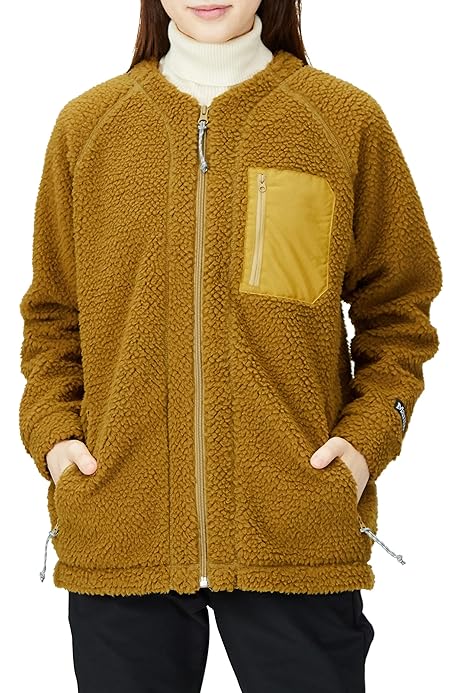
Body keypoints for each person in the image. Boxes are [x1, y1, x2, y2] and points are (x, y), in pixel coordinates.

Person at [18, 1, 442, 691]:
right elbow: (53, 318)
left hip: (295, 530)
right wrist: (55, 438)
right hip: (119, 527)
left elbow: (398, 311)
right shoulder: (88, 128)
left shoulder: (341, 121)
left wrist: (366, 444)